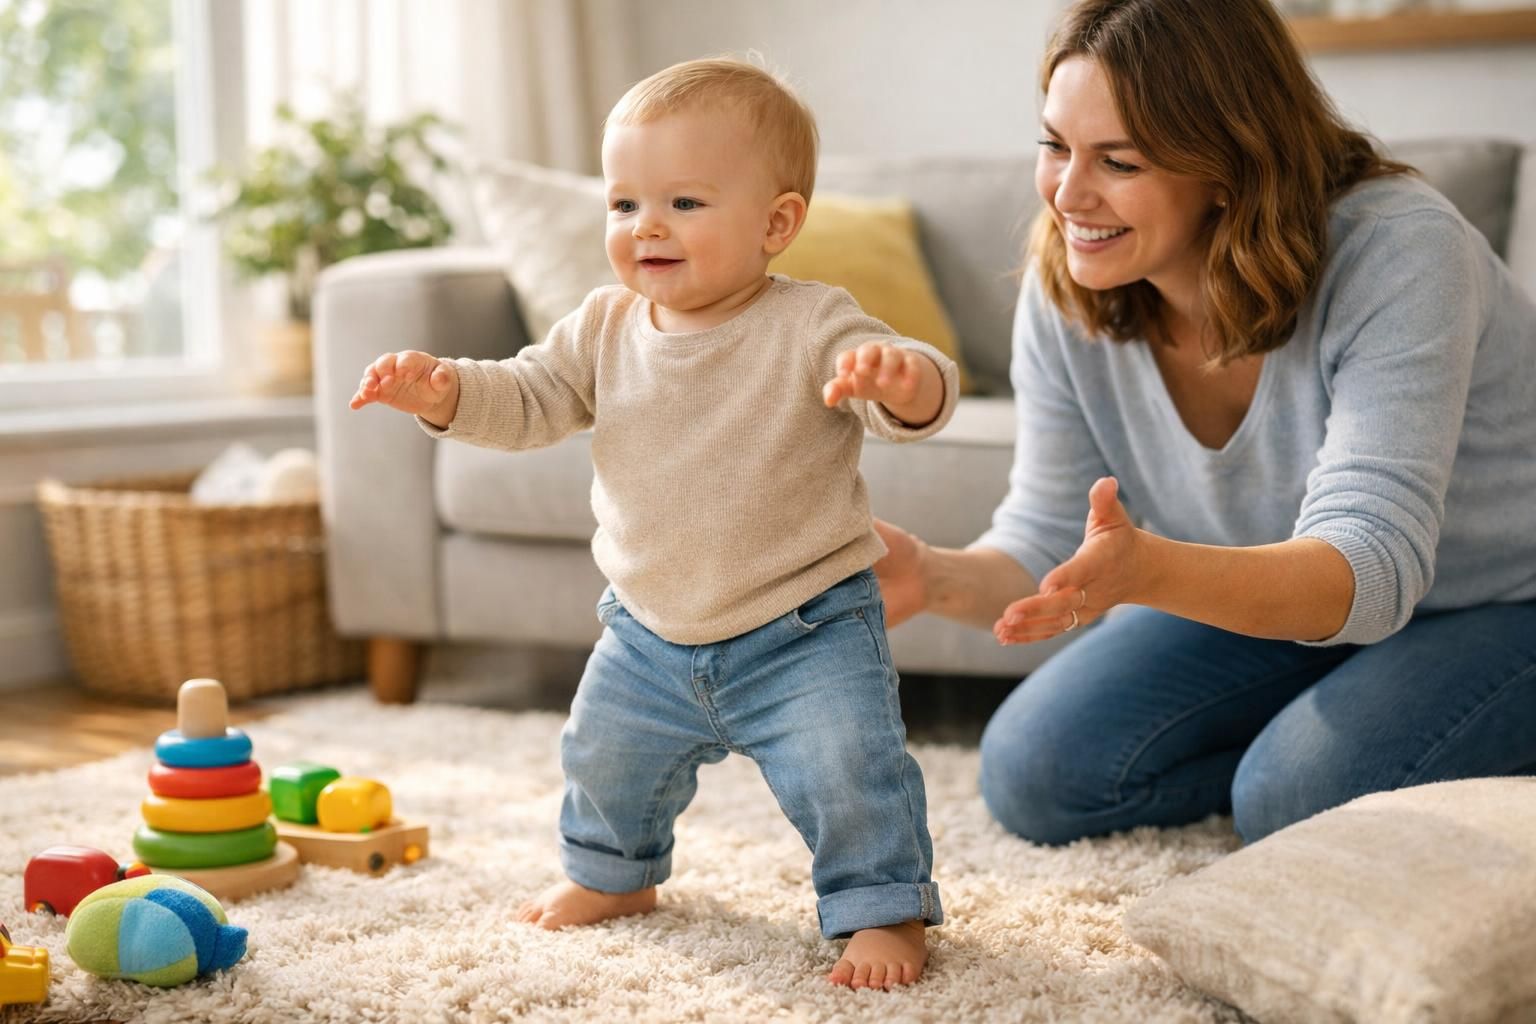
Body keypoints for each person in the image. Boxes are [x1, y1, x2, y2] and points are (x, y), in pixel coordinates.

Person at [350, 58, 958, 989]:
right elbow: (531, 397)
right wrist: (448, 392)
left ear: (777, 223)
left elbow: (898, 387)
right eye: (624, 203)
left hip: (804, 628)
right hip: (646, 629)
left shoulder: (812, 323)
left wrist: (904, 384)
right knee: (601, 758)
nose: (647, 228)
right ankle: (615, 876)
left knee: (850, 770)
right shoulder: (603, 326)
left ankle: (884, 908)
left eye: (683, 201)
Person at [874, 0, 1536, 849]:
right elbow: (1046, 536)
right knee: (1037, 771)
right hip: (1289, 600)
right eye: (1054, 145)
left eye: (1119, 161)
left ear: (1228, 162)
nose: (1068, 194)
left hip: (1502, 598)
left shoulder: (1401, 250)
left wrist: (1149, 571)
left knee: (1296, 800)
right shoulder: (1069, 273)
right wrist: (932, 577)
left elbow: (1370, 573)